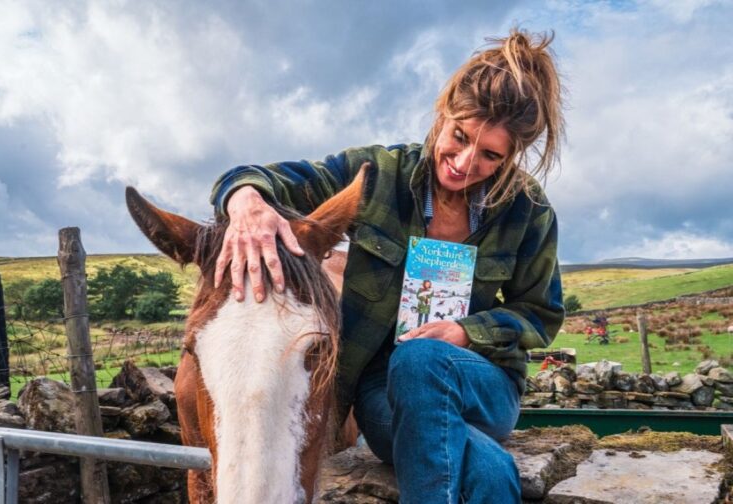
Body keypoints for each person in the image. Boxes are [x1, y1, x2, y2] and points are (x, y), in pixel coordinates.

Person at [210, 29, 564, 504]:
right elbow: (274, 179)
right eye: (458, 137)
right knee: (488, 468)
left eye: (489, 155)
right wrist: (245, 201)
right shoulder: (378, 175)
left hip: (484, 384)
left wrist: (465, 333)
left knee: (422, 358)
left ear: (511, 155)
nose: (463, 162)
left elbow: (540, 314)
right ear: (443, 114)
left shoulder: (529, 210)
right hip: (383, 392)